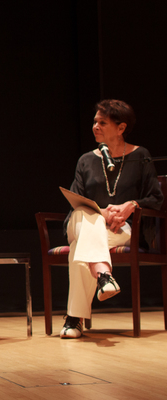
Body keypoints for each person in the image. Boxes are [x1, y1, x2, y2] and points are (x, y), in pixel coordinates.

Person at [60, 99, 163, 339]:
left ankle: (74, 319)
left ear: (121, 128)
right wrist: (102, 214)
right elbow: (78, 201)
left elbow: (155, 198)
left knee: (79, 249)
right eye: (95, 121)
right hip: (82, 223)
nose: (95, 126)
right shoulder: (86, 160)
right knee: (81, 216)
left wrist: (131, 205)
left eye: (102, 122)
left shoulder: (141, 156)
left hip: (124, 229)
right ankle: (103, 275)